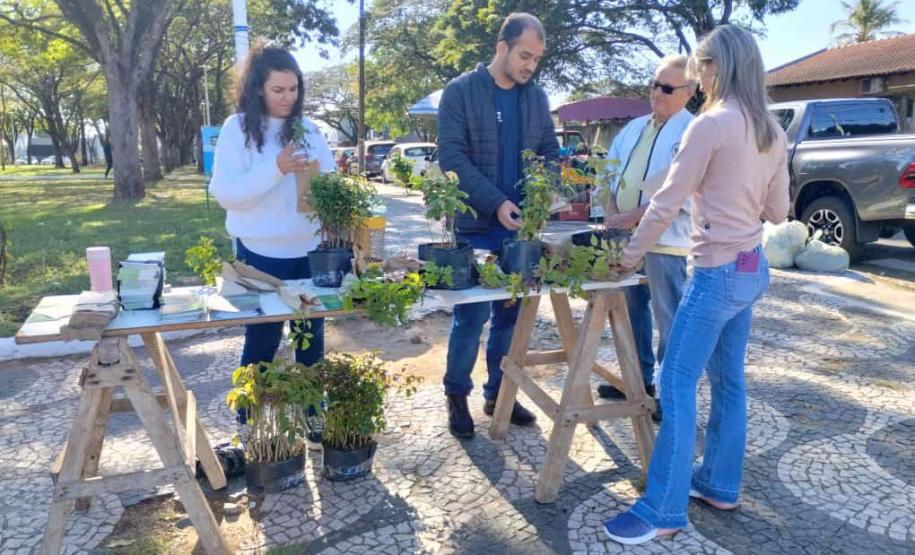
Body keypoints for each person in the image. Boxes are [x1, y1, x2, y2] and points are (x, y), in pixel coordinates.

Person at [602, 24, 789, 544]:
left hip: (716, 271)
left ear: (715, 68)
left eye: (699, 69)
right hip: (752, 268)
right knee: (728, 380)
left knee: (675, 381)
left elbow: (665, 204)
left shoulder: (710, 125)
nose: (696, 79)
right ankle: (719, 485)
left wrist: (629, 258)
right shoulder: (772, 130)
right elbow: (778, 210)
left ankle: (662, 510)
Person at [437, 12, 560, 439]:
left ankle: (499, 393)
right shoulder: (460, 92)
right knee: (469, 318)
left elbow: (550, 152)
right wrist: (496, 203)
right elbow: (452, 157)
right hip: (474, 226)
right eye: (525, 55)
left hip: (520, 232)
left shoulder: (536, 97)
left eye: (537, 59)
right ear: (501, 47)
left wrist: (543, 196)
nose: (531, 66)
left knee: (510, 317)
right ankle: (457, 394)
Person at [210, 43, 335, 445]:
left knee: (310, 340)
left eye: (294, 89)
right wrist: (277, 167)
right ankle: (249, 422)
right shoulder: (237, 129)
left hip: (309, 255)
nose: (288, 98)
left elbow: (331, 182)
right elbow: (226, 193)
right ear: (257, 88)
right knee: (262, 340)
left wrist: (331, 191)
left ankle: (313, 415)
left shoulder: (309, 129)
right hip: (260, 256)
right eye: (278, 90)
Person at [595, 55, 697, 423]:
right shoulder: (635, 126)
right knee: (630, 312)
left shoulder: (692, 131)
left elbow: (683, 192)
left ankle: (670, 393)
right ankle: (638, 381)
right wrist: (610, 206)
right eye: (654, 84)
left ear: (689, 92)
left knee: (669, 318)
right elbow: (607, 169)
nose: (657, 93)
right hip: (623, 236)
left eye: (667, 88)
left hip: (665, 240)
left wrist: (634, 215)